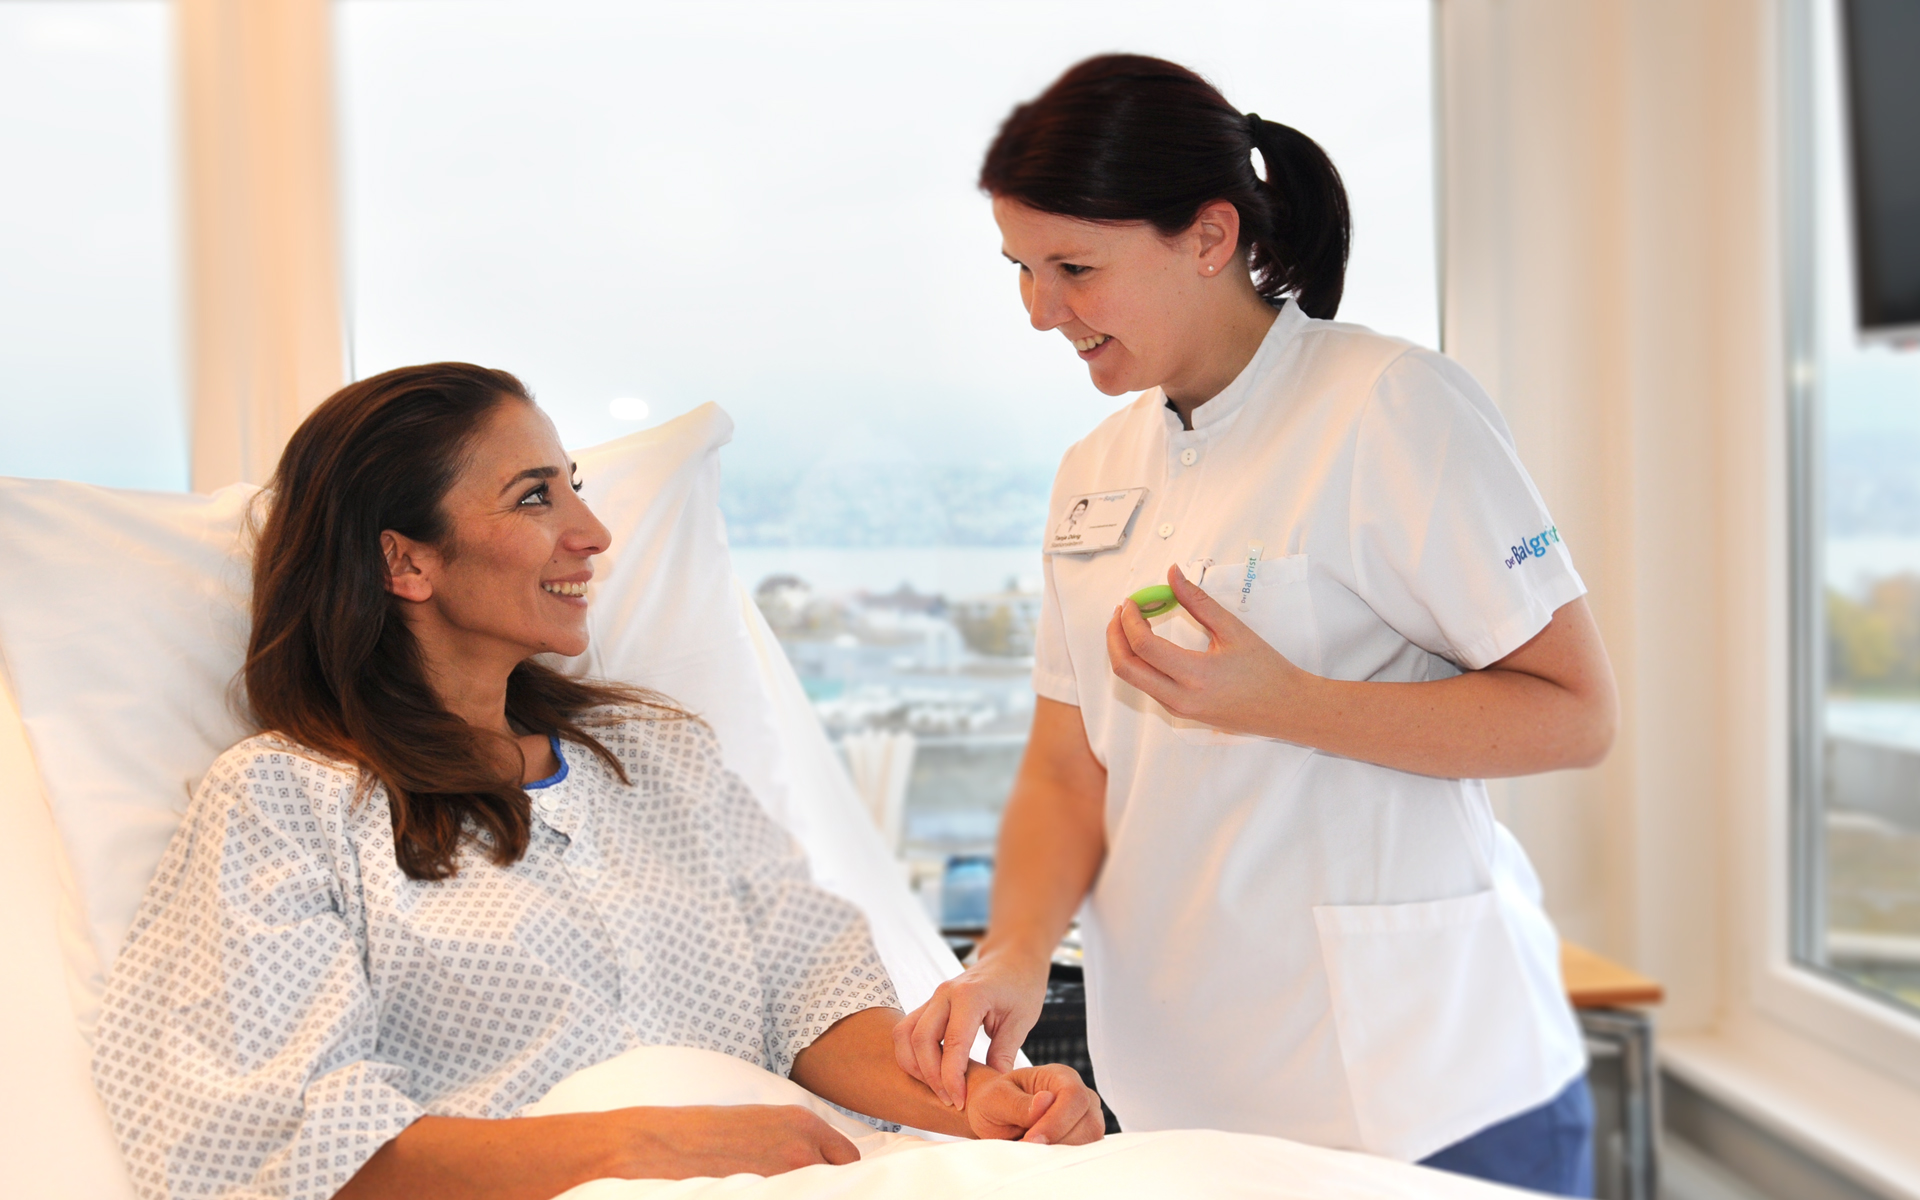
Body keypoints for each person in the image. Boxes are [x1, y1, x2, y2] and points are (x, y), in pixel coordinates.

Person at [91, 364, 1104, 1200]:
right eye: (535, 496)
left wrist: (973, 1103)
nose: (593, 531)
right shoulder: (285, 803)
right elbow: (274, 1144)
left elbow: (813, 998)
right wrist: (634, 1151)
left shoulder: (657, 759)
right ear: (406, 562)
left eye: (572, 482)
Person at [892, 55, 1617, 1198]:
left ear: (1209, 235)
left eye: (1073, 267)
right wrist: (1014, 956)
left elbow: (1573, 715)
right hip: (1188, 1108)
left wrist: (1292, 706)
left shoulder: (1392, 406)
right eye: (1022, 270)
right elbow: (1068, 767)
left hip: (1421, 1096)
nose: (1040, 311)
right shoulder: (1094, 471)